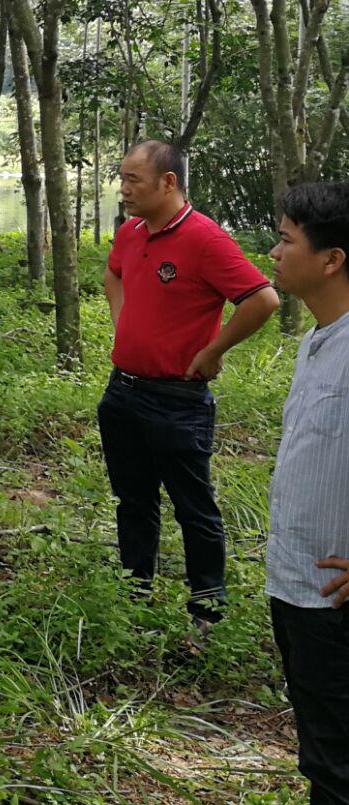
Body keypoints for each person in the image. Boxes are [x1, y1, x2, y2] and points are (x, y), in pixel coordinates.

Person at [101, 139, 278, 626]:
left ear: (168, 182)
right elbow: (113, 276)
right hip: (123, 391)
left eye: (133, 180)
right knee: (133, 500)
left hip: (176, 400)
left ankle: (207, 609)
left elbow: (262, 299)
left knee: (193, 506)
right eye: (122, 179)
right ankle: (134, 593)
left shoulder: (205, 239)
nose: (124, 189)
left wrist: (213, 350)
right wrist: (123, 322)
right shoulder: (131, 232)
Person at [266, 180, 349, 805]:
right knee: (323, 758)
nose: (274, 252)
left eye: (287, 240)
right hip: (297, 585)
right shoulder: (319, 342)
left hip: (334, 601)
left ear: (332, 259)